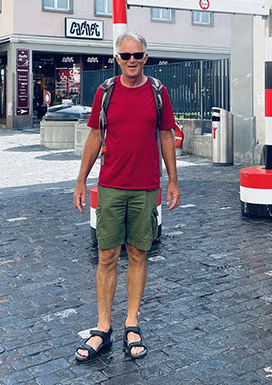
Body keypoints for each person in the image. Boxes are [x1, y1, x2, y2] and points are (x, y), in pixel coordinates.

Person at [73, 32, 180, 363]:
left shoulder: (158, 92)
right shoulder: (106, 92)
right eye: (125, 55)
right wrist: (81, 180)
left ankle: (131, 322)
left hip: (146, 187)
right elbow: (95, 135)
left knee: (137, 253)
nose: (131, 60)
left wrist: (173, 180)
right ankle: (103, 327)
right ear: (117, 58)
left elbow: (166, 135)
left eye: (137, 55)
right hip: (111, 185)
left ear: (145, 57)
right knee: (106, 255)